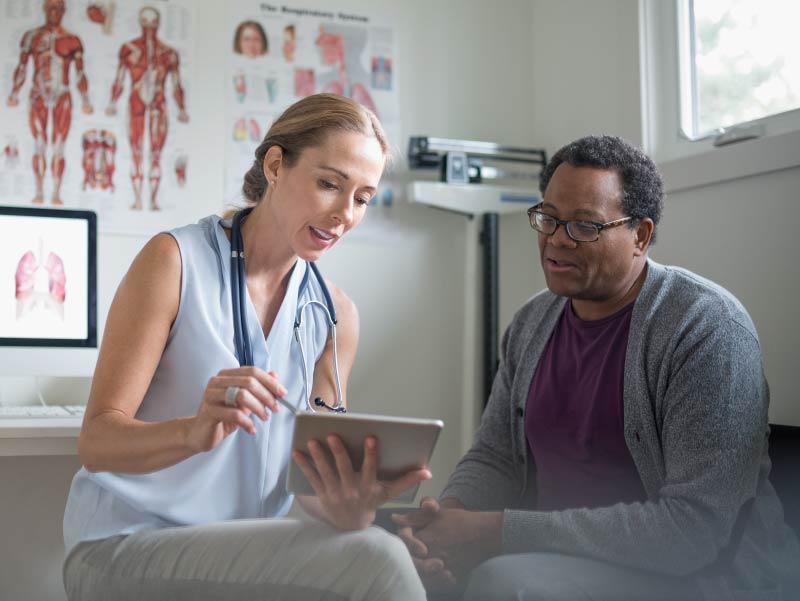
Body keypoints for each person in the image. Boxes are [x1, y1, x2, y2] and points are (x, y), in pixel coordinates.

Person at [393, 135, 800, 600]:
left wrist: (494, 532)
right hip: (557, 556)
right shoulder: (531, 322)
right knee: (403, 564)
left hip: (707, 577)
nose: (555, 239)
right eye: (548, 218)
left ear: (640, 236)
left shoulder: (706, 328)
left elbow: (696, 530)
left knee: (504, 584)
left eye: (584, 226)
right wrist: (447, 523)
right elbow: (495, 456)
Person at [62, 94, 430, 601]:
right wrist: (191, 431)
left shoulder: (334, 316)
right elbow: (97, 442)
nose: (344, 214)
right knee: (377, 563)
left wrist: (351, 507)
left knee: (376, 548)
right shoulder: (175, 261)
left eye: (363, 198)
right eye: (329, 184)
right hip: (124, 543)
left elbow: (310, 483)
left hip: (244, 552)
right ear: (275, 165)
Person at [6, 0, 93, 205]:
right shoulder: (31, 36)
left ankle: (55, 193)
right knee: (39, 143)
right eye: (51, 8)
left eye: (58, 9)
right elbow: (22, 67)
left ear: (64, 11)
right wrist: (14, 93)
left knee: (59, 145)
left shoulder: (72, 40)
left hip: (62, 94)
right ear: (45, 9)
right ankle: (38, 192)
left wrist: (85, 100)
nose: (55, 12)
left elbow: (80, 73)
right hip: (38, 95)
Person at [106, 6, 189, 212]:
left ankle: (151, 201)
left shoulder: (168, 53)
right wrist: (112, 102)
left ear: (158, 24)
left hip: (158, 105)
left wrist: (181, 108)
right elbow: (119, 79)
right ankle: (137, 200)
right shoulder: (129, 49)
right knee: (136, 151)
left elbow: (176, 84)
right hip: (136, 103)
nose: (149, 28)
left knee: (155, 155)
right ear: (140, 23)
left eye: (153, 23)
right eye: (145, 23)